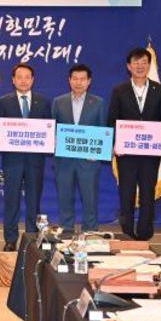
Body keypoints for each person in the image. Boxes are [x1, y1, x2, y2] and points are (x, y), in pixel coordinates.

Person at [107, 47, 161, 241]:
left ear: (149, 65)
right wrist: (115, 144)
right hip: (126, 154)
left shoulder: (159, 90)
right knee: (126, 193)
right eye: (136, 62)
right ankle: (127, 232)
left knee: (147, 194)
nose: (140, 66)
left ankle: (145, 233)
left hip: (150, 154)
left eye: (144, 62)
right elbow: (112, 120)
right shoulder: (119, 91)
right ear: (129, 66)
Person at [0, 63, 51, 252]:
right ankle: (10, 239)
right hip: (12, 161)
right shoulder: (4, 101)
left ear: (33, 80)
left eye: (27, 77)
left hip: (35, 161)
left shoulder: (43, 101)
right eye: (19, 77)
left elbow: (49, 128)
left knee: (33, 201)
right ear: (13, 80)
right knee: (11, 200)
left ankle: (31, 238)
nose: (23, 81)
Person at [51, 64, 105, 233]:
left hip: (89, 161)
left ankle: (90, 232)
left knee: (90, 201)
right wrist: (53, 140)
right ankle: (66, 231)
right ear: (69, 80)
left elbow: (104, 130)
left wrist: (99, 152)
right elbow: (51, 128)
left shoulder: (98, 103)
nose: (78, 82)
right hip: (64, 161)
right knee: (65, 199)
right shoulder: (58, 102)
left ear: (89, 81)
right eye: (75, 79)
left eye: (82, 79)